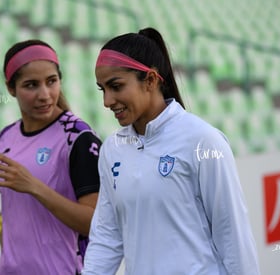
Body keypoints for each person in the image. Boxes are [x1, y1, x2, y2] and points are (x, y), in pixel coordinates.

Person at [82, 27, 260, 275]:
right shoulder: (112, 149)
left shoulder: (203, 141)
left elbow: (232, 234)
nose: (107, 101)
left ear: (151, 80)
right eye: (103, 89)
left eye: (116, 86)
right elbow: (107, 235)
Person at [0, 39, 102, 275]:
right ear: (10, 88)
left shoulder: (78, 137)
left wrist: (34, 186)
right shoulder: (4, 139)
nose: (45, 94)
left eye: (52, 81)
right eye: (31, 85)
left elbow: (95, 224)